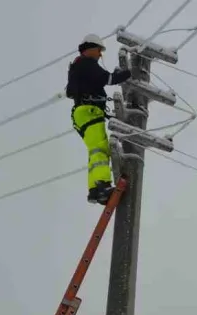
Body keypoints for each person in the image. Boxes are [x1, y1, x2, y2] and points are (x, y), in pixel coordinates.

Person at [65, 34, 132, 204]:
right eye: (98, 50)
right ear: (90, 48)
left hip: (82, 113)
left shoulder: (77, 66)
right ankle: (102, 185)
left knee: (94, 151)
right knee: (100, 149)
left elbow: (70, 92)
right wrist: (131, 73)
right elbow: (108, 79)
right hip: (90, 111)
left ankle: (95, 190)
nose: (100, 55)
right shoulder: (86, 63)